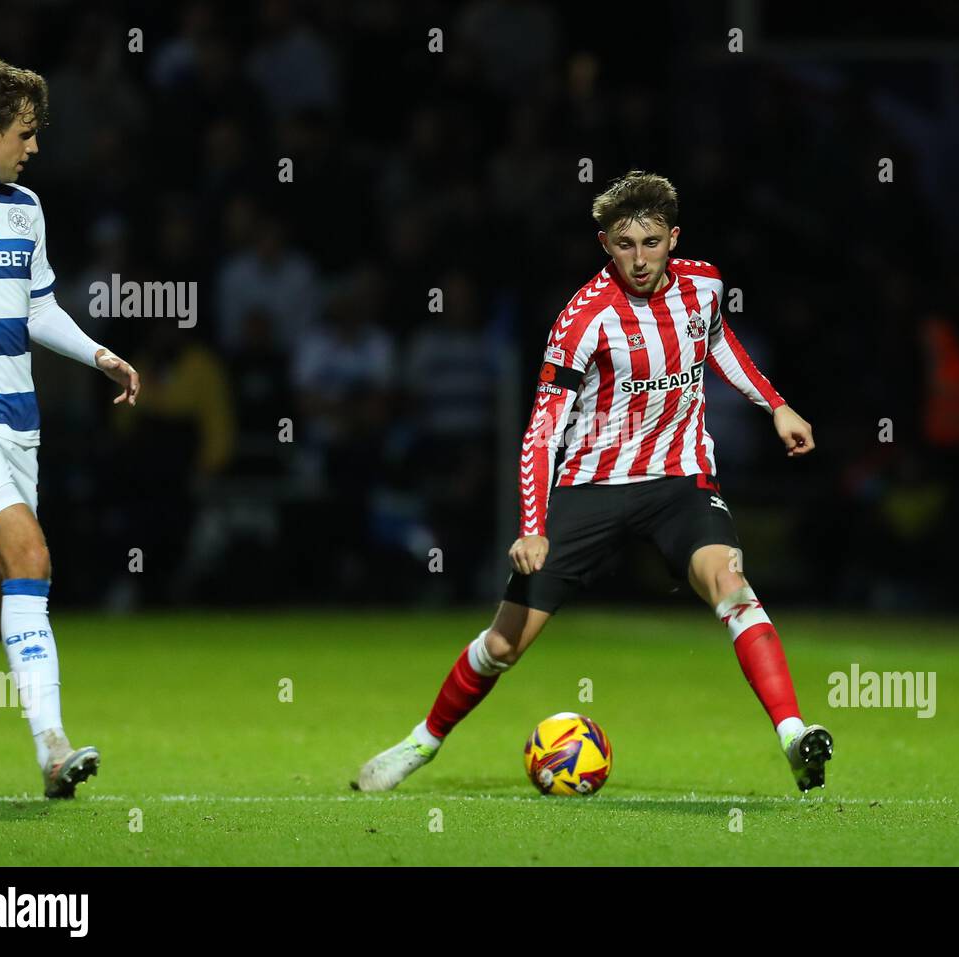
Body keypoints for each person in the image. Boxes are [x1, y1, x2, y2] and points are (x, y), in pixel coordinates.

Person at [356, 170, 833, 793]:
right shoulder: (582, 319)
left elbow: (720, 346)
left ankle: (794, 734)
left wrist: (775, 404)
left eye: (652, 242)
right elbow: (542, 429)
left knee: (731, 583)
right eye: (624, 244)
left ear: (673, 238)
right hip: (590, 488)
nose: (640, 259)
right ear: (605, 243)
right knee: (503, 647)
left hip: (678, 480)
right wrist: (532, 527)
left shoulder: (706, 286)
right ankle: (420, 745)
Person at [0, 59, 140, 797]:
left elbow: (37, 308)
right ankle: (52, 745)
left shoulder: (25, 208)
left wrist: (100, 354)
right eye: (25, 133)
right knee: (31, 556)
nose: (35, 147)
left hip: (19, 427)